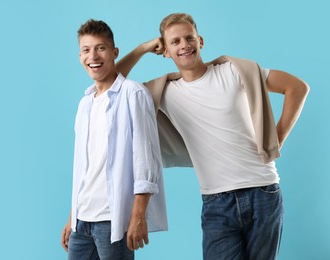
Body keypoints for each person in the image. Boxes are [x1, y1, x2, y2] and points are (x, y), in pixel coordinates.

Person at [116, 13, 309, 260]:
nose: (184, 45)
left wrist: (277, 138)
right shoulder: (163, 91)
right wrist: (143, 49)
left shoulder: (235, 71)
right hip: (217, 202)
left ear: (201, 41)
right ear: (165, 51)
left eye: (189, 38)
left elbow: (297, 87)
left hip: (264, 191)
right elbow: (113, 86)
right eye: (175, 42)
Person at [60, 19, 167, 260]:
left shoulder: (133, 94)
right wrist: (72, 217)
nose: (93, 56)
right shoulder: (85, 103)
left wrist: (138, 215)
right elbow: (83, 168)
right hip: (82, 221)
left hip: (113, 220)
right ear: (79, 57)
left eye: (101, 48)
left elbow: (145, 158)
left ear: (114, 52)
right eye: (86, 50)